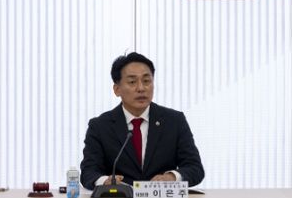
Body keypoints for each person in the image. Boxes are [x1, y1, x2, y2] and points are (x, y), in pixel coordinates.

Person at [80, 52, 205, 189]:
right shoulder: (100, 126)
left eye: (146, 81)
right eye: (132, 82)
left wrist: (172, 177)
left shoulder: (174, 121)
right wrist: (105, 182)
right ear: (117, 89)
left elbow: (195, 168)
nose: (141, 88)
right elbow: (88, 172)